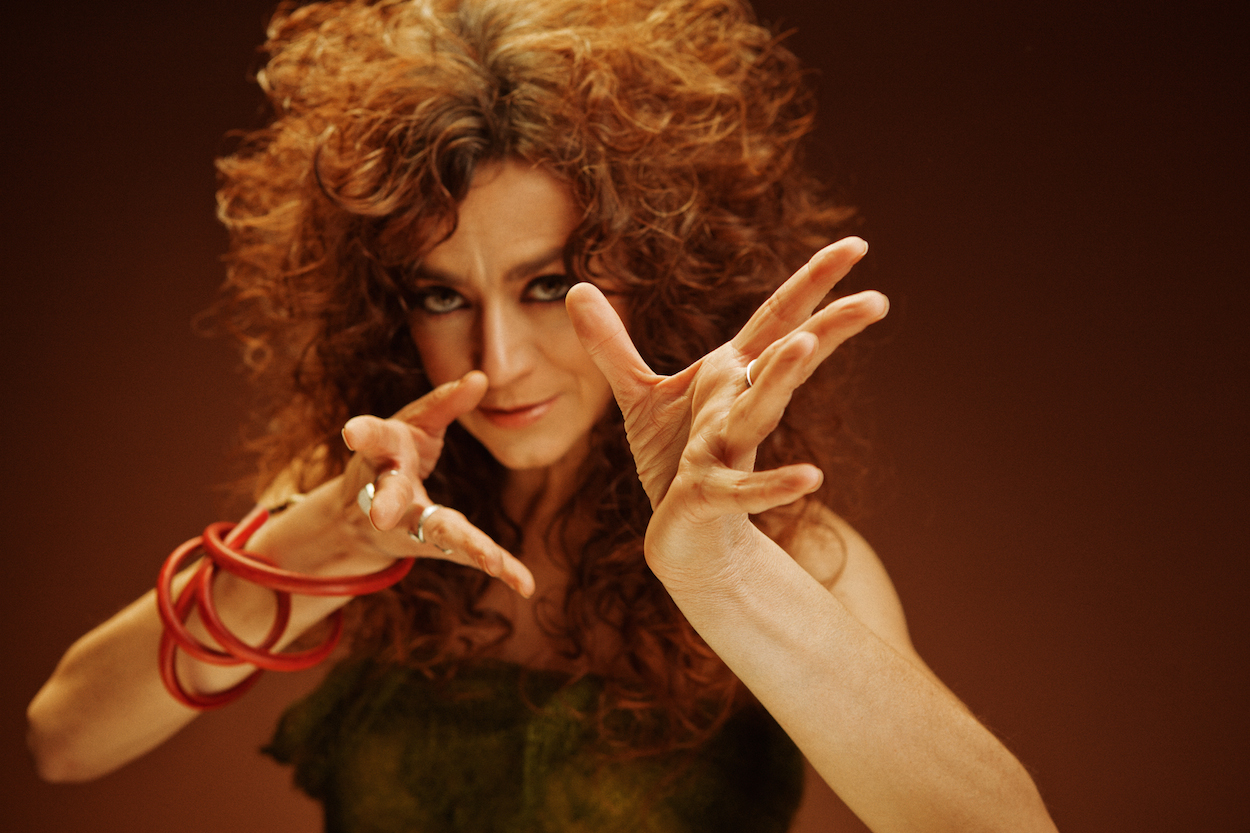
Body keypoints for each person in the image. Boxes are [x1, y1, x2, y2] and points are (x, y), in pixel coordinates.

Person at [26, 0, 1058, 830]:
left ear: (660, 274)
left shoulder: (782, 545)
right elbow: (63, 738)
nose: (498, 358)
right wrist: (325, 537)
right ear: (384, 310)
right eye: (441, 295)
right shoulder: (375, 504)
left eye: (549, 285)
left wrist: (724, 576)